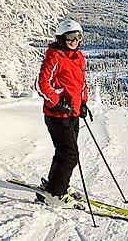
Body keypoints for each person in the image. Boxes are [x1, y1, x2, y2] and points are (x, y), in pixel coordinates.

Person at [34, 18, 90, 204]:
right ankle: (56, 193)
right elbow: (41, 84)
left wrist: (82, 103)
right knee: (70, 154)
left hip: (72, 113)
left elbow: (81, 84)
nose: (74, 40)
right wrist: (57, 102)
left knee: (64, 151)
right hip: (57, 115)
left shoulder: (79, 57)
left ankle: (55, 184)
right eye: (70, 36)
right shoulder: (54, 56)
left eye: (77, 36)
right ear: (61, 38)